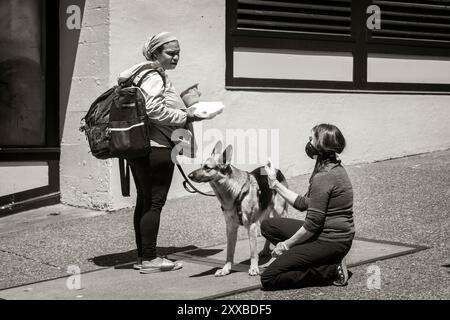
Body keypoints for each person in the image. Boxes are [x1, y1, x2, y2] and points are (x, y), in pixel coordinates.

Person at [118, 32, 208, 274]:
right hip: (155, 148)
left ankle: (144, 255)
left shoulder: (139, 75)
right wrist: (185, 115)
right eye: (170, 52)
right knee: (154, 203)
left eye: (178, 52)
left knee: (145, 201)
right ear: (155, 53)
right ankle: (149, 259)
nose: (176, 56)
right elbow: (153, 109)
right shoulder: (154, 76)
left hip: (141, 147)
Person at [261, 123, 355, 290]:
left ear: (321, 145)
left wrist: (286, 245)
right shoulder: (327, 167)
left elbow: (313, 224)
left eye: (311, 139)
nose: (308, 142)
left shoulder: (325, 176)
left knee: (269, 278)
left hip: (332, 241)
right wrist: (274, 183)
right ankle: (316, 258)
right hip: (323, 233)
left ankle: (330, 269)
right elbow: (304, 203)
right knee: (268, 226)